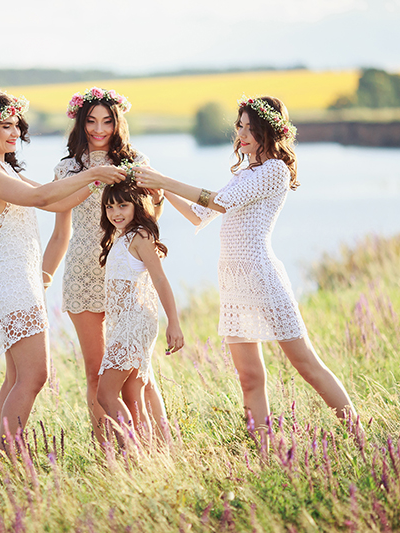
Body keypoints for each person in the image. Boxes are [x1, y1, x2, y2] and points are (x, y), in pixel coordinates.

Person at [135, 95, 357, 431]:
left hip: (261, 277)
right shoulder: (245, 173)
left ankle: (358, 433)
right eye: (239, 126)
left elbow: (221, 202)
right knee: (249, 377)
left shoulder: (275, 170)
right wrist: (161, 189)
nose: (242, 133)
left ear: (270, 131)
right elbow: (199, 214)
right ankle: (264, 451)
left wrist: (163, 180)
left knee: (306, 365)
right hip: (234, 282)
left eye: (251, 128)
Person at [0, 90, 125, 448]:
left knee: (16, 376)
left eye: (17, 126)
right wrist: (93, 173)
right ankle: (10, 456)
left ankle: (6, 459)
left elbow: (56, 200)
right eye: (6, 126)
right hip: (12, 280)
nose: (15, 133)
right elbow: (40, 198)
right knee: (34, 376)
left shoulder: (2, 168)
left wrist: (95, 180)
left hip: (21, 279)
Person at [42, 87, 169, 442]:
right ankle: (110, 454)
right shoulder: (67, 169)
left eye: (107, 121)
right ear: (80, 123)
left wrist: (159, 198)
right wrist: (42, 283)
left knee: (139, 374)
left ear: (118, 123)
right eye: (92, 121)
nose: (99, 129)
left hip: (127, 274)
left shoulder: (135, 161)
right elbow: (60, 234)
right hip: (83, 274)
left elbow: (150, 220)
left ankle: (160, 452)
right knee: (96, 373)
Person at [96, 181, 184, 445]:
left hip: (134, 323)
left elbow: (160, 279)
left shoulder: (140, 236)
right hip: (124, 323)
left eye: (123, 205)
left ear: (136, 205)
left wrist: (174, 322)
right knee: (134, 398)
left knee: (105, 395)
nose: (115, 213)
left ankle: (131, 454)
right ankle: (148, 458)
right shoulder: (121, 237)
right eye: (109, 207)